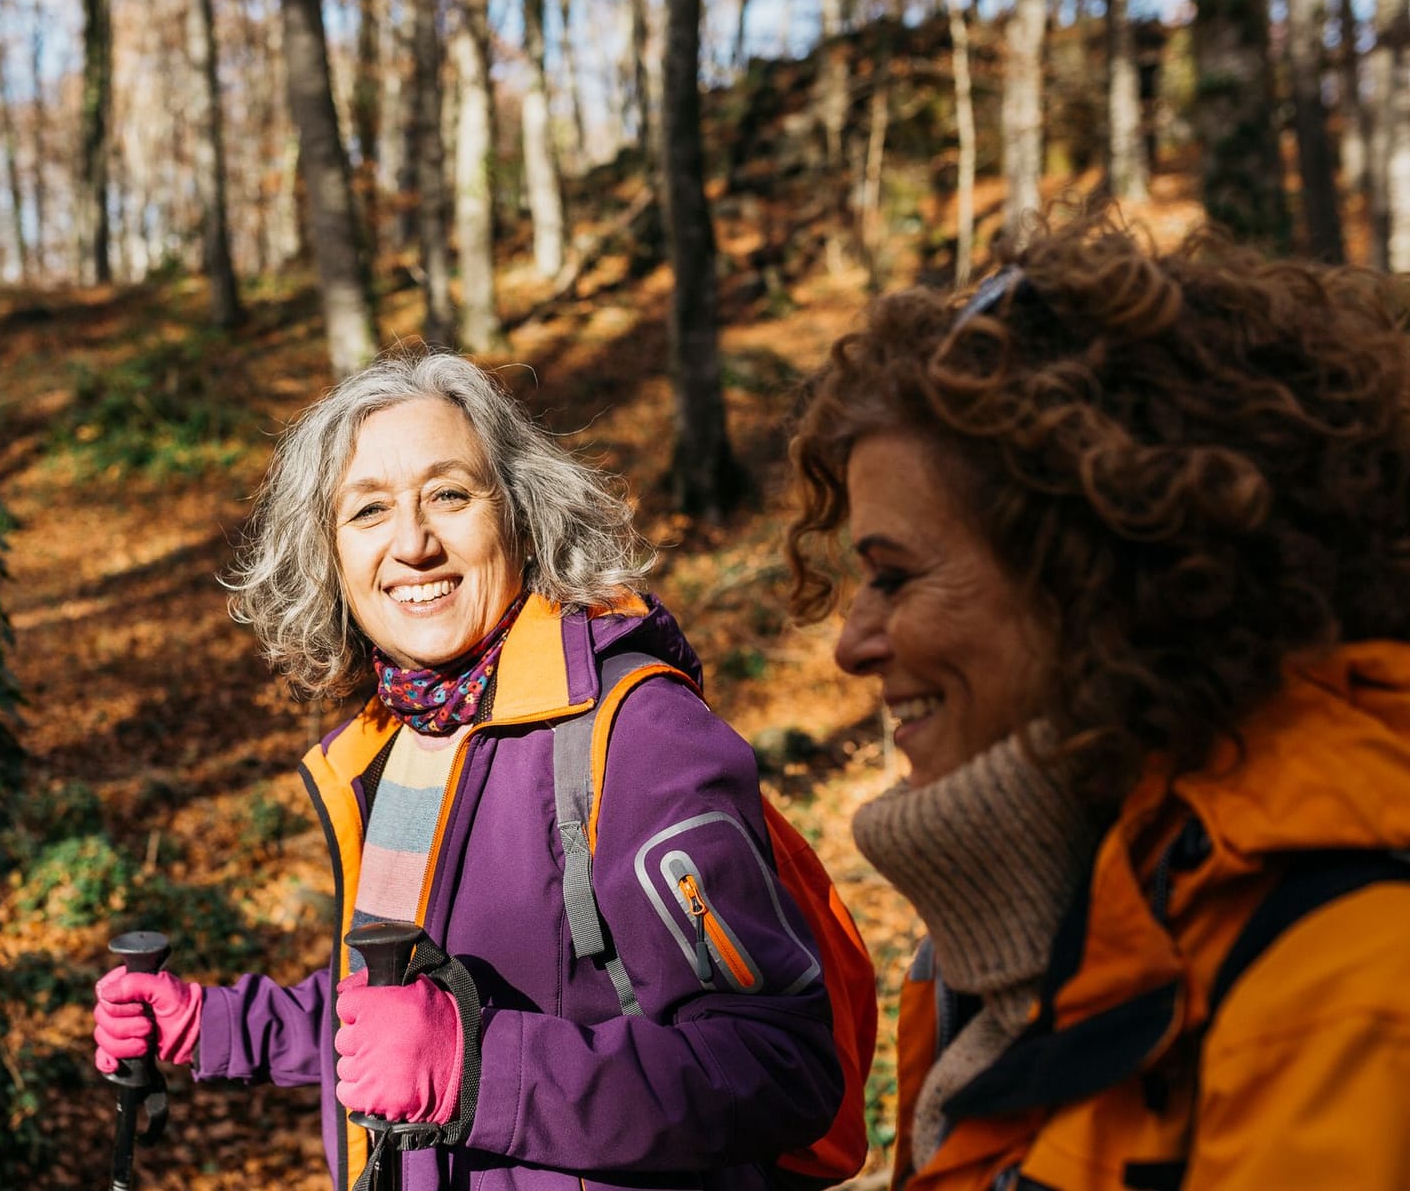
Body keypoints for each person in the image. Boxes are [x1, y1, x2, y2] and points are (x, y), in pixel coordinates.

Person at [93, 349, 847, 1190]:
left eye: (449, 495)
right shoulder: (400, 741)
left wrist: (477, 1071)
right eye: (368, 510)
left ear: (522, 515)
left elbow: (778, 1065)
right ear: (331, 556)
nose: (412, 543)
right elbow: (393, 1014)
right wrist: (212, 1027)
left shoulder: (636, 733)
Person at [783, 217, 1410, 1189]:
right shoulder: (997, 948)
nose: (853, 642)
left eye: (896, 576)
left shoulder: (1338, 980)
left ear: (1098, 576)